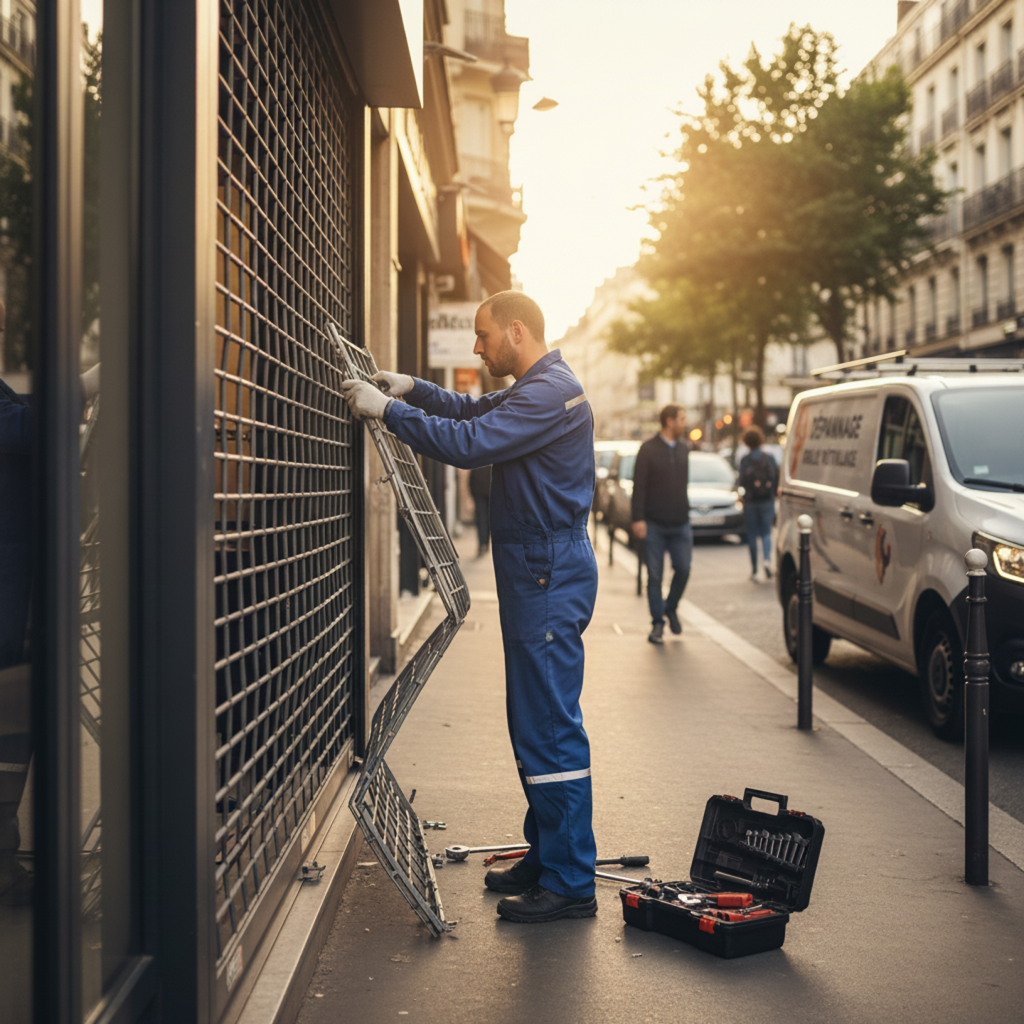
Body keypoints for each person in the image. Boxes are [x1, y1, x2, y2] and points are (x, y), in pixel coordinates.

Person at [340, 291, 599, 924]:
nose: (477, 347)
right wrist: (414, 389)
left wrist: (389, 413)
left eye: (483, 336)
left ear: (517, 330)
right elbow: (471, 408)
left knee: (550, 725)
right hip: (536, 568)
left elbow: (472, 441)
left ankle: (570, 880)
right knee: (532, 719)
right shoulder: (539, 384)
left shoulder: (549, 391)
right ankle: (548, 854)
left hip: (546, 570)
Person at [631, 404, 692, 645]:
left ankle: (671, 607)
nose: (684, 423)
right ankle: (657, 623)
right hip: (653, 524)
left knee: (684, 569)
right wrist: (638, 519)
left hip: (680, 523)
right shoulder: (647, 449)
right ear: (669, 421)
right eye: (682, 419)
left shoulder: (685, 449)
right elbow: (639, 486)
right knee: (654, 576)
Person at [738, 425, 779, 582]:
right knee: (767, 533)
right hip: (767, 500)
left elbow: (741, 481)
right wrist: (773, 494)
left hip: (751, 502)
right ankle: (767, 560)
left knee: (752, 535)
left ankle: (755, 570)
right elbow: (776, 477)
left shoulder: (745, 460)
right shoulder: (769, 458)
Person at [468, 463, 492, 557]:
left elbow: (471, 482)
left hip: (480, 496)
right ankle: (485, 544)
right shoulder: (492, 466)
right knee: (488, 521)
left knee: (481, 521)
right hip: (488, 496)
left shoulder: (477, 465)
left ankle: (483, 544)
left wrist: (473, 494)